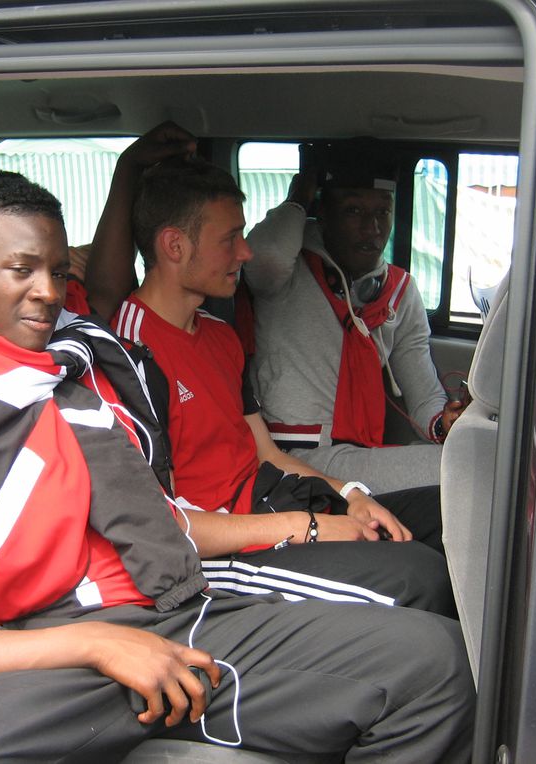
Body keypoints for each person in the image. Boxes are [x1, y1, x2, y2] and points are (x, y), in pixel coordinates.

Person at [0, 170, 475, 762]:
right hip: (91, 641)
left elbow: (156, 509)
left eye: (55, 270)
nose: (48, 291)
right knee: (433, 657)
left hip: (169, 600)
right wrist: (98, 642)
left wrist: (342, 494)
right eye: (21, 270)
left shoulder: (65, 362)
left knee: (440, 655)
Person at [88, 131, 451, 613]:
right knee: (422, 576)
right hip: (223, 552)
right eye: (230, 239)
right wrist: (309, 526)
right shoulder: (128, 353)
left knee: (450, 518)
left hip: (274, 501)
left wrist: (350, 494)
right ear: (174, 246)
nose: (245, 252)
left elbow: (265, 452)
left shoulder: (220, 336)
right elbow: (161, 521)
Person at [244, 138, 467, 494]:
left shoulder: (400, 291)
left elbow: (424, 396)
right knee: (466, 471)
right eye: (354, 211)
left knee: (468, 461)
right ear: (324, 214)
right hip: (291, 457)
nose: (372, 228)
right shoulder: (287, 272)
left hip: (356, 454)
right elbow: (264, 257)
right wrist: (298, 198)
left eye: (383, 211)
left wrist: (444, 425)